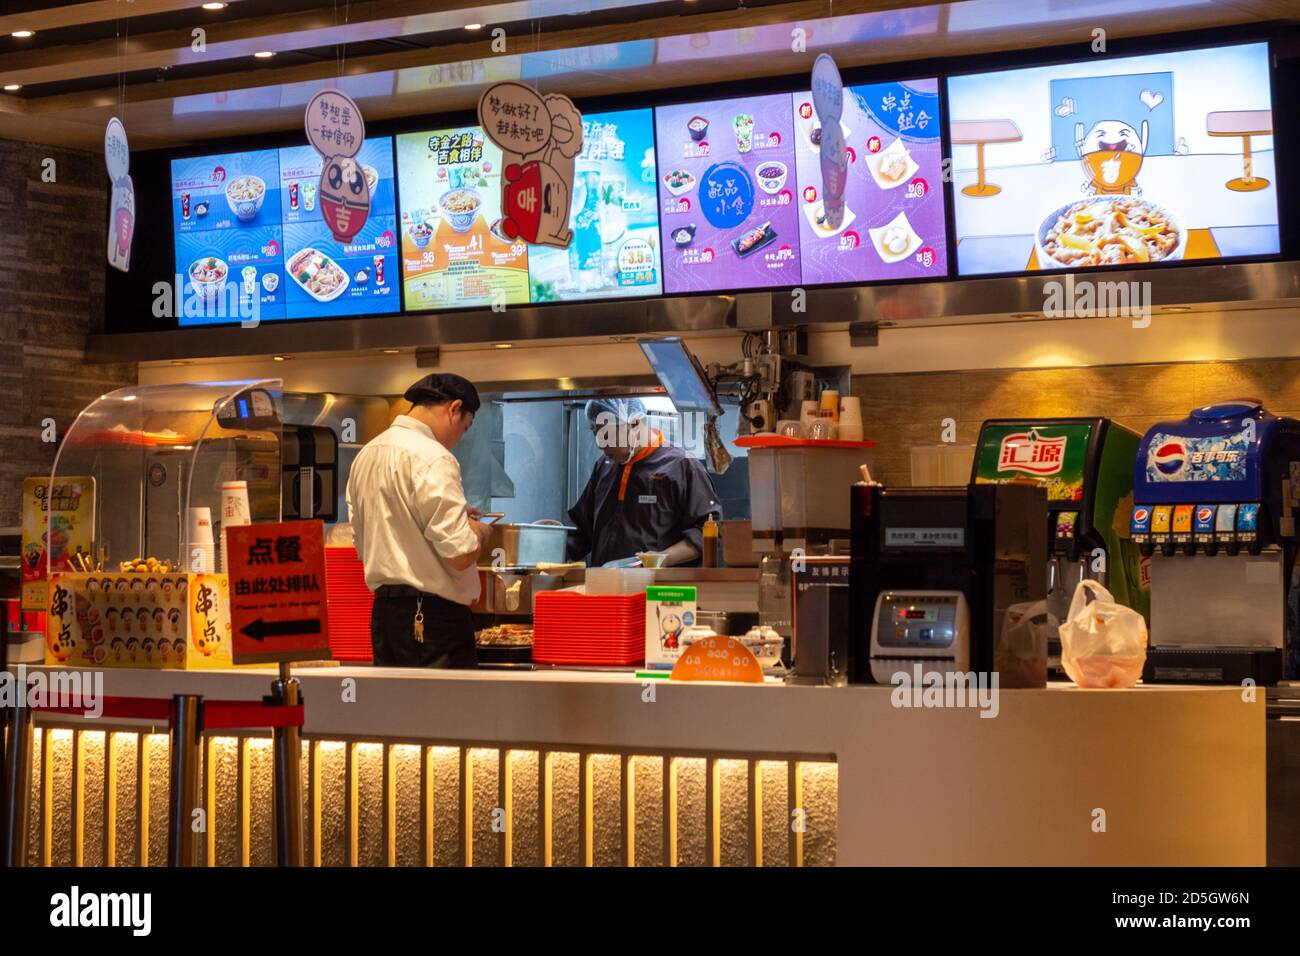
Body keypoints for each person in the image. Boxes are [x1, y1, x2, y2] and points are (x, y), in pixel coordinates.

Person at [346, 373, 494, 667]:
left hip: (384, 618)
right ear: (454, 409)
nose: (459, 440)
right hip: (433, 622)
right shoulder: (434, 457)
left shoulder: (366, 454)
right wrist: (479, 532)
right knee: (444, 712)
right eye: (465, 428)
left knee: (395, 710)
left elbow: (364, 542)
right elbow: (461, 554)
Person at [566, 398, 721, 567]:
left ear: (635, 423)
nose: (601, 444)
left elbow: (708, 530)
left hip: (660, 588)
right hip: (607, 586)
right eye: (596, 433)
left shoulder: (681, 466)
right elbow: (581, 530)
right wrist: (547, 539)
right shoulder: (605, 466)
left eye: (608, 434)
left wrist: (664, 558)